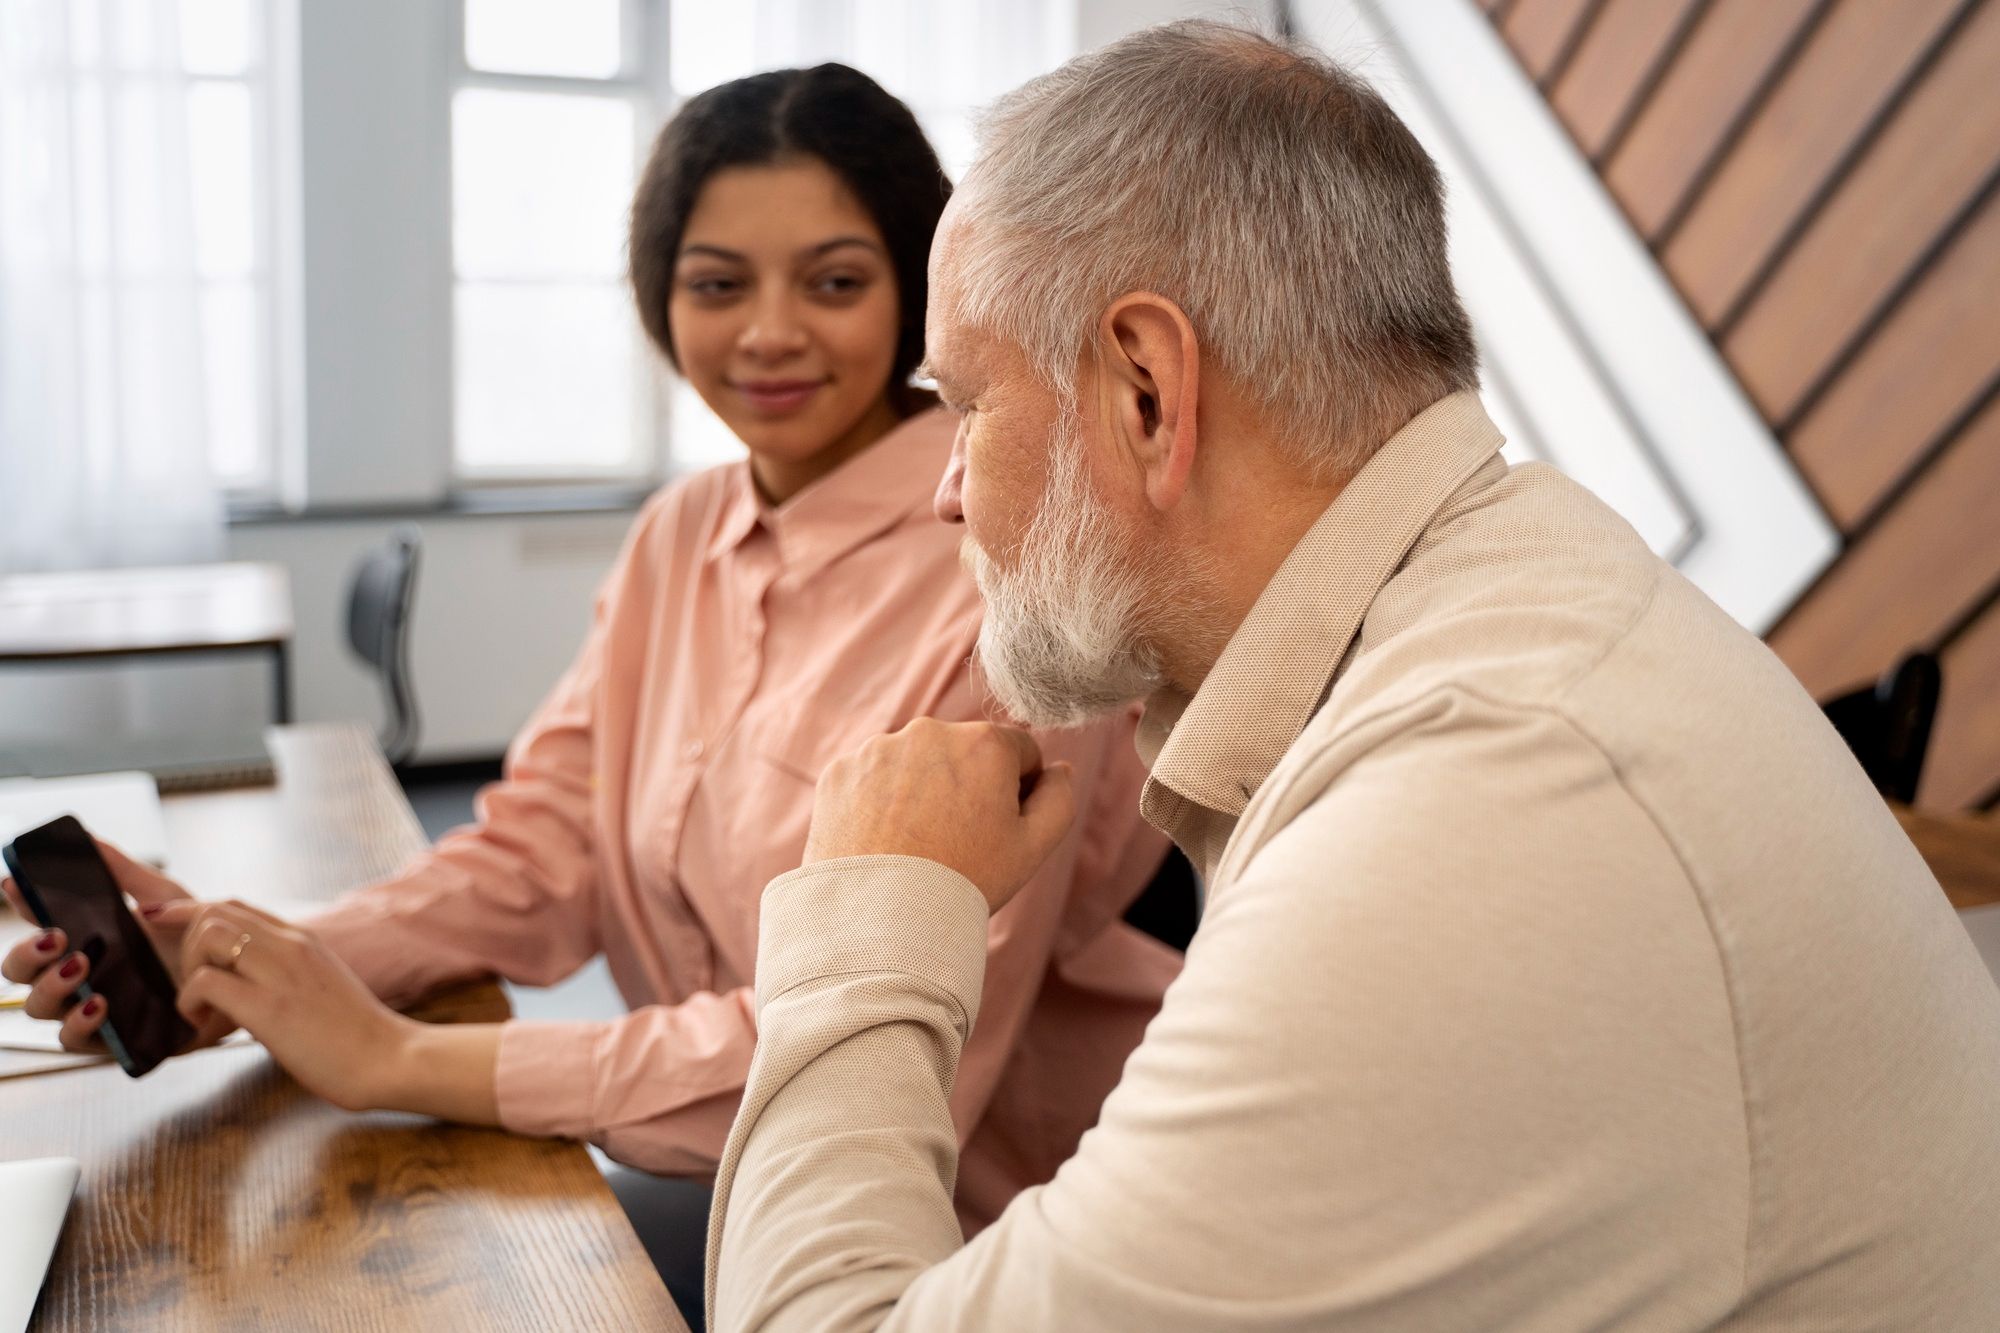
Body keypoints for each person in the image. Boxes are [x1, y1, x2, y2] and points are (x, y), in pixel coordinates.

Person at [699, 22, 2000, 1331]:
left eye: (969, 405)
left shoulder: (1483, 816)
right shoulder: (1512, 603)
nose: (945, 491)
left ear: (1146, 390)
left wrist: (872, 911)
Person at [1, 64, 1180, 1327]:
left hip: (986, 1232)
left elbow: (880, 1057)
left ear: (918, 297)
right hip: (741, 1181)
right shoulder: (680, 531)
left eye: (834, 282)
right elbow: (541, 846)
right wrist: (251, 963)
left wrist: (397, 1055)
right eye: (716, 284)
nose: (767, 332)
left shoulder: (1002, 564)